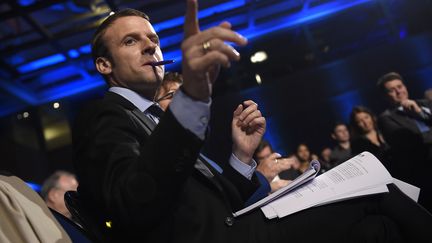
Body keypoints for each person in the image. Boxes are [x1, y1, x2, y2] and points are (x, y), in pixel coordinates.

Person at [73, 2, 432, 242]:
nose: (151, 47)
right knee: (378, 199)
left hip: (239, 228)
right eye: (131, 41)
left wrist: (241, 157)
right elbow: (135, 202)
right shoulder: (103, 116)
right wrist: (192, 99)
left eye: (153, 39)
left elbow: (216, 202)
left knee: (377, 228)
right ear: (104, 65)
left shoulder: (154, 117)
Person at [377, 71, 432, 211]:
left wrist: (419, 113)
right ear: (385, 96)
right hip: (425, 173)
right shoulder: (386, 118)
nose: (398, 91)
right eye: (392, 90)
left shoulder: (425, 104)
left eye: (400, 86)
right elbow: (406, 143)